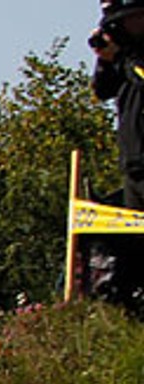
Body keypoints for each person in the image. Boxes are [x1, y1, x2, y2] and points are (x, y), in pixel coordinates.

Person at [91, 2, 144, 304]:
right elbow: (102, 90)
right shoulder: (125, 55)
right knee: (133, 242)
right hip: (133, 165)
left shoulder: (134, 58)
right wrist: (104, 58)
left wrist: (121, 56)